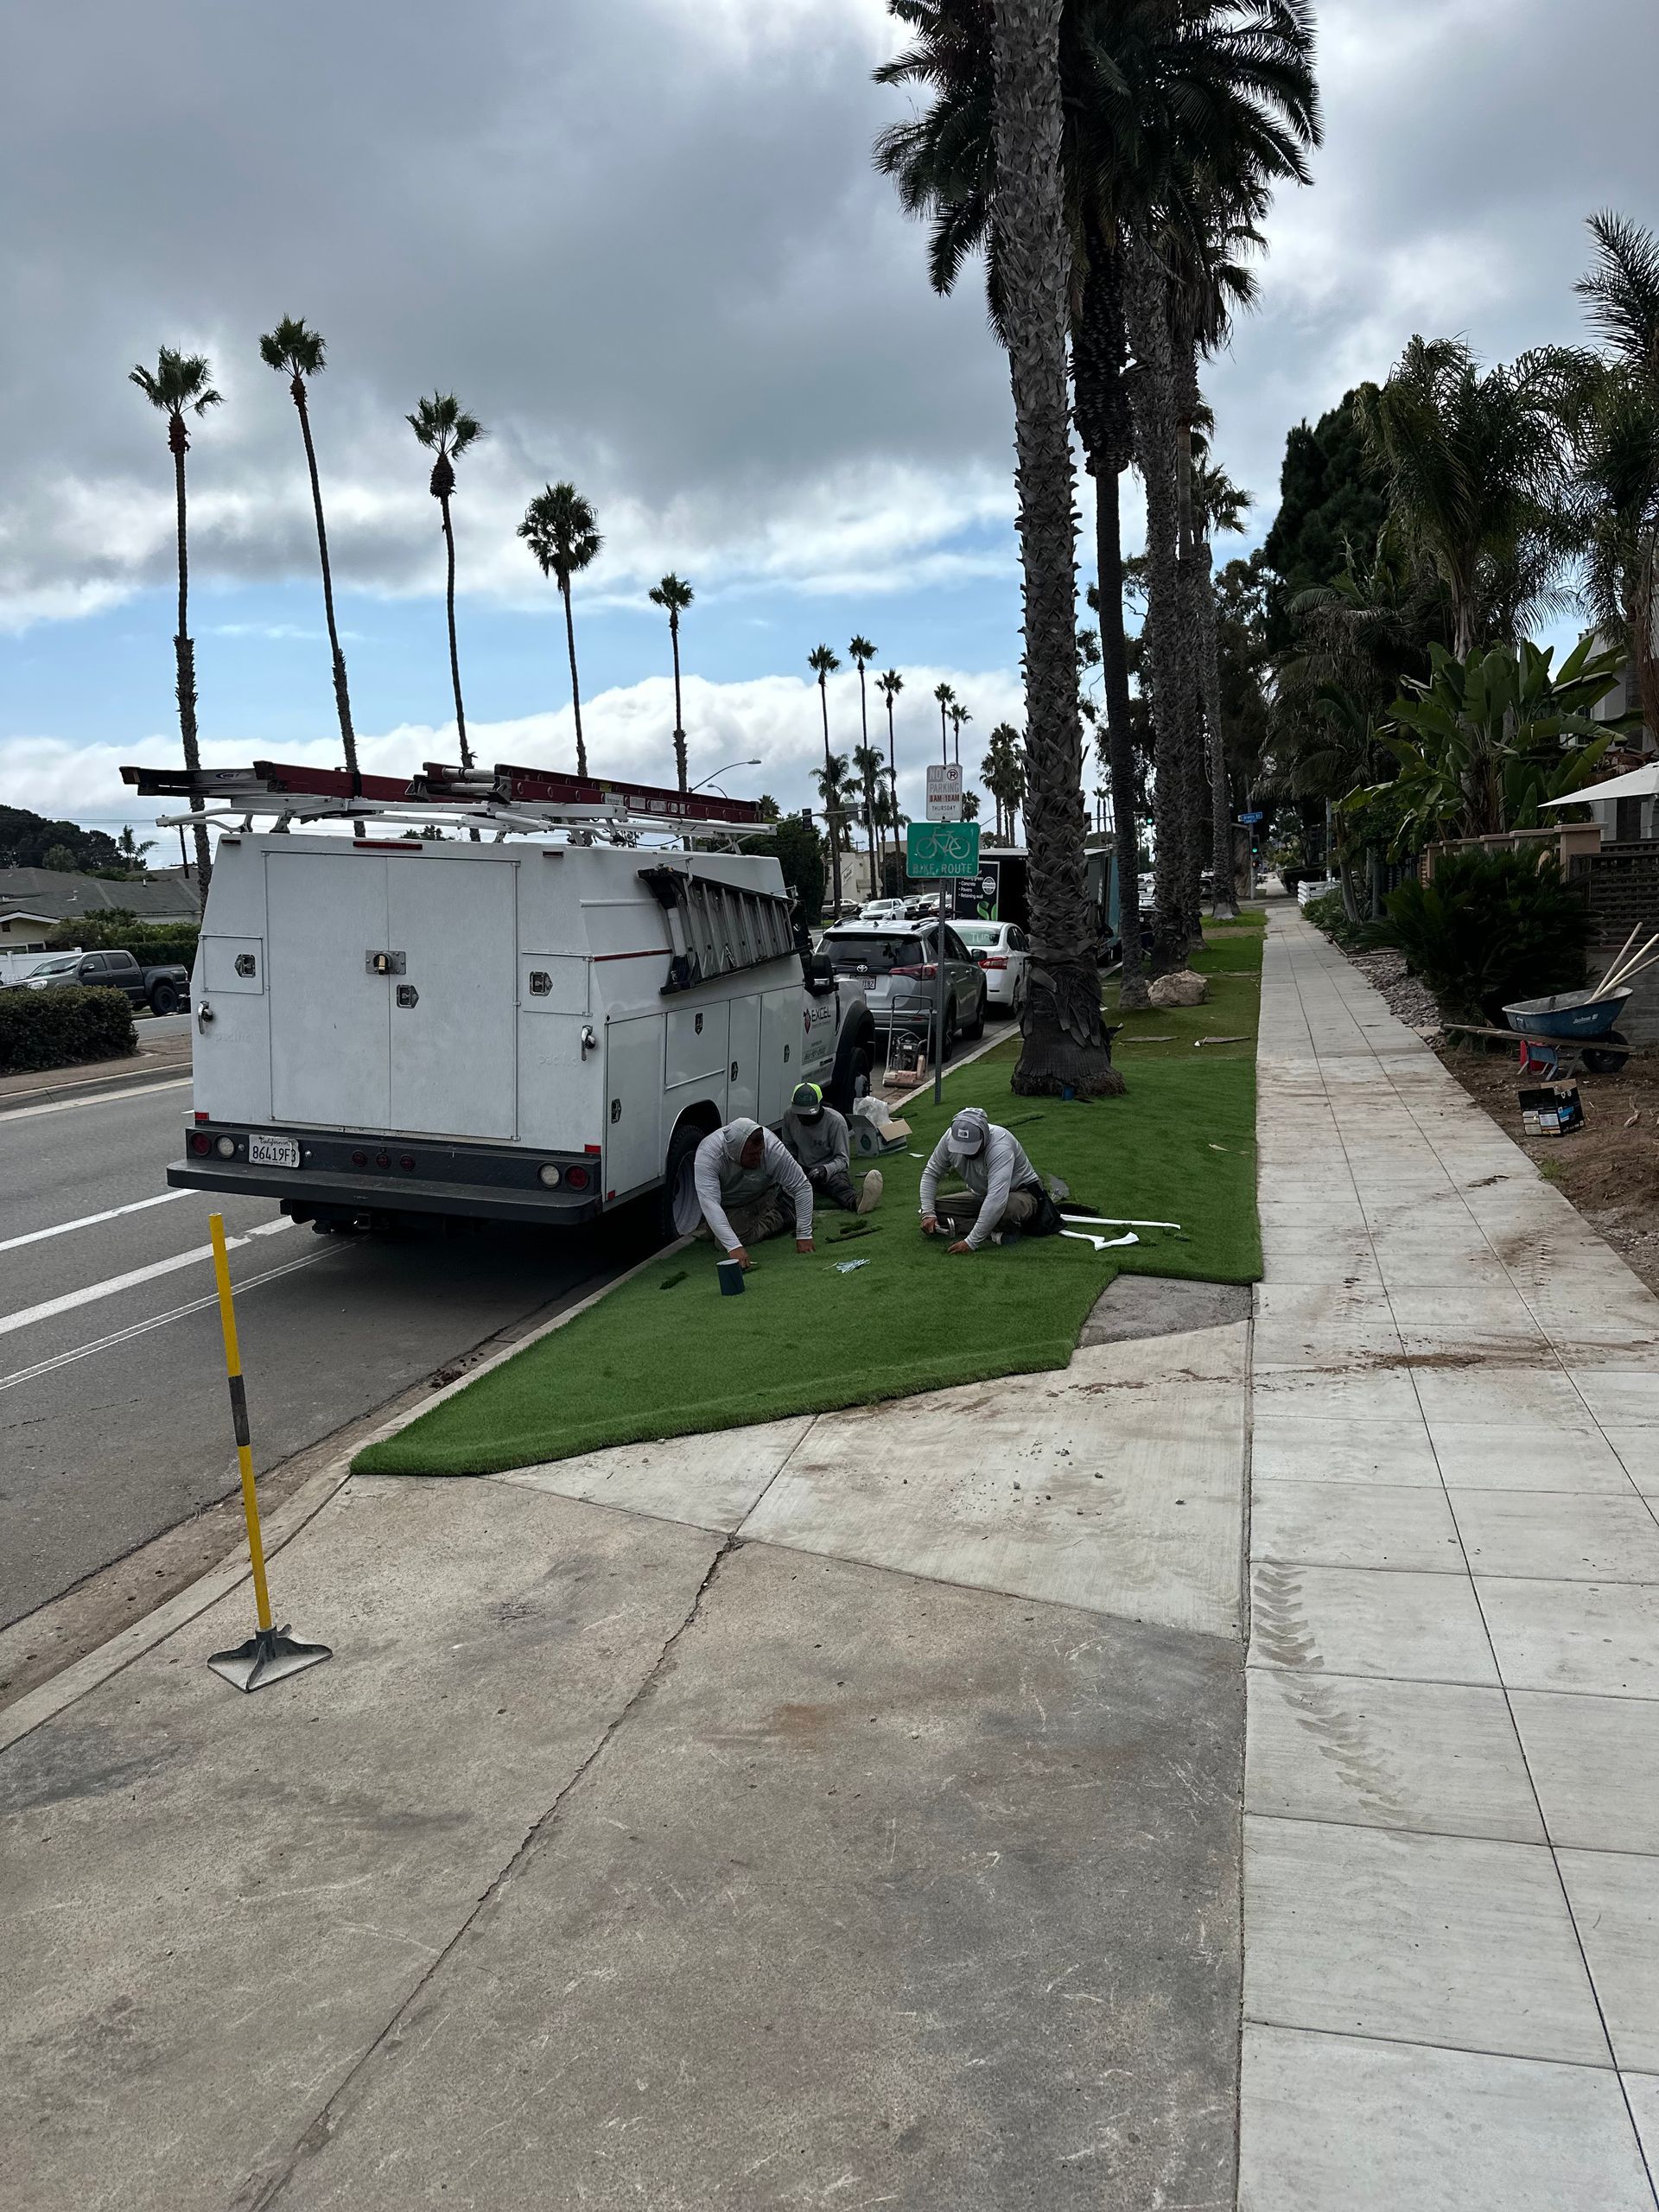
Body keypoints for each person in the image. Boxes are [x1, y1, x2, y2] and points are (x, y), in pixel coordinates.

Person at [918, 1105, 1061, 1255]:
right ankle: (992, 1232)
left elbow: (996, 1199)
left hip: (1021, 1193)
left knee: (1007, 1210)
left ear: (984, 1136)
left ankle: (979, 1227)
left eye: (971, 1147)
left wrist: (971, 1242)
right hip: (981, 1195)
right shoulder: (949, 1137)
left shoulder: (1000, 1146)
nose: (965, 1153)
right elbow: (931, 1173)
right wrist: (928, 1213)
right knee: (933, 1208)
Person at [693, 1116, 815, 1269]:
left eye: (760, 1152)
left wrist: (804, 1235)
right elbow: (709, 1203)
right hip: (729, 1202)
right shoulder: (708, 1154)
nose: (758, 1157)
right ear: (734, 1151)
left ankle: (784, 1213)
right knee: (718, 1235)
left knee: (724, 1242)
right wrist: (734, 1248)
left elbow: (801, 1185)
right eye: (752, 1155)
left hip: (763, 1193)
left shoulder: (771, 1147)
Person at [779, 1082, 883, 1217]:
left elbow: (843, 1160)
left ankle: (857, 1202)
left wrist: (825, 1170)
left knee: (839, 1185)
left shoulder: (836, 1122)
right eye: (800, 1114)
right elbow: (789, 1148)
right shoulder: (789, 1115)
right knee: (781, 1189)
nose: (803, 1118)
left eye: (807, 1115)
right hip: (802, 1167)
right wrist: (793, 1169)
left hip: (829, 1170)